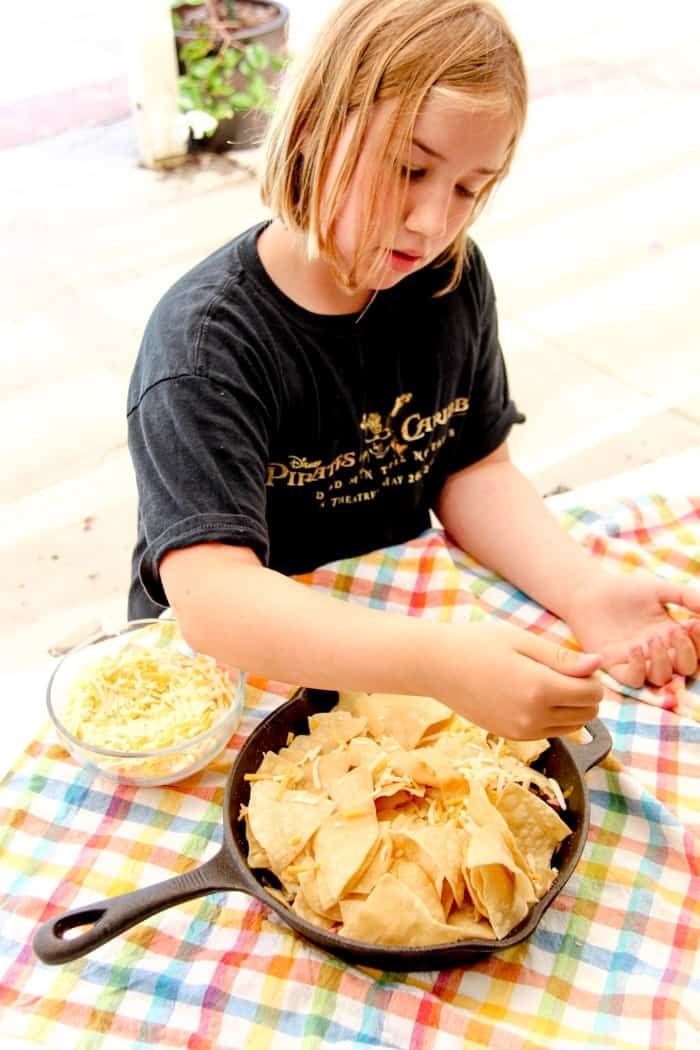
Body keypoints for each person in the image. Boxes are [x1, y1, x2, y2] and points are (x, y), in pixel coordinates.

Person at [127, 0, 700, 740]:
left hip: (400, 630)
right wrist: (440, 664)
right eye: (410, 168)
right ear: (315, 128)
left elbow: (474, 468)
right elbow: (215, 600)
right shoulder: (207, 347)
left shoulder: (446, 281)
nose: (433, 221)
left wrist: (587, 592)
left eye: (468, 187)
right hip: (227, 680)